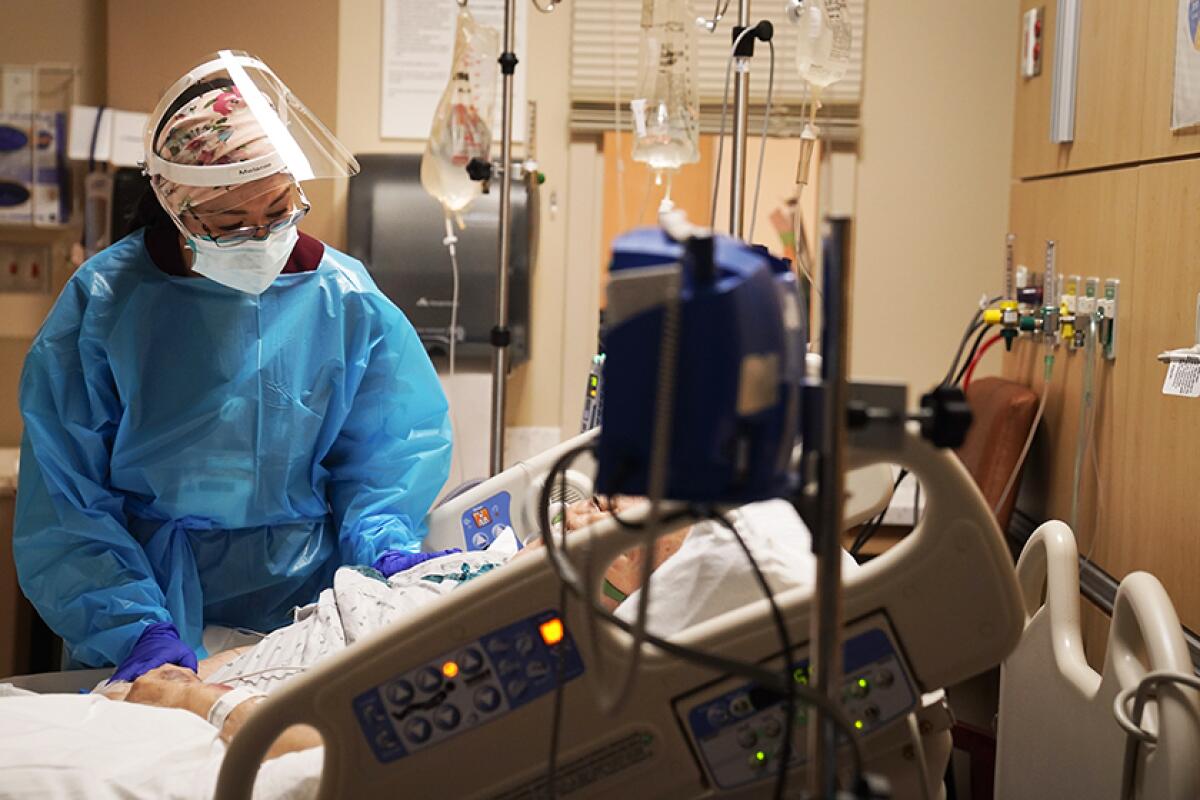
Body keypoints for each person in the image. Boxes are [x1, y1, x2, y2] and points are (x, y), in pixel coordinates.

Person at [13, 51, 452, 683]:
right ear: (176, 210)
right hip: (149, 600)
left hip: (309, 608)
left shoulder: (342, 297)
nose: (262, 235)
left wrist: (385, 550)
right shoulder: (107, 304)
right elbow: (65, 501)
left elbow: (388, 456)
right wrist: (135, 627)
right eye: (229, 223)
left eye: (278, 211)